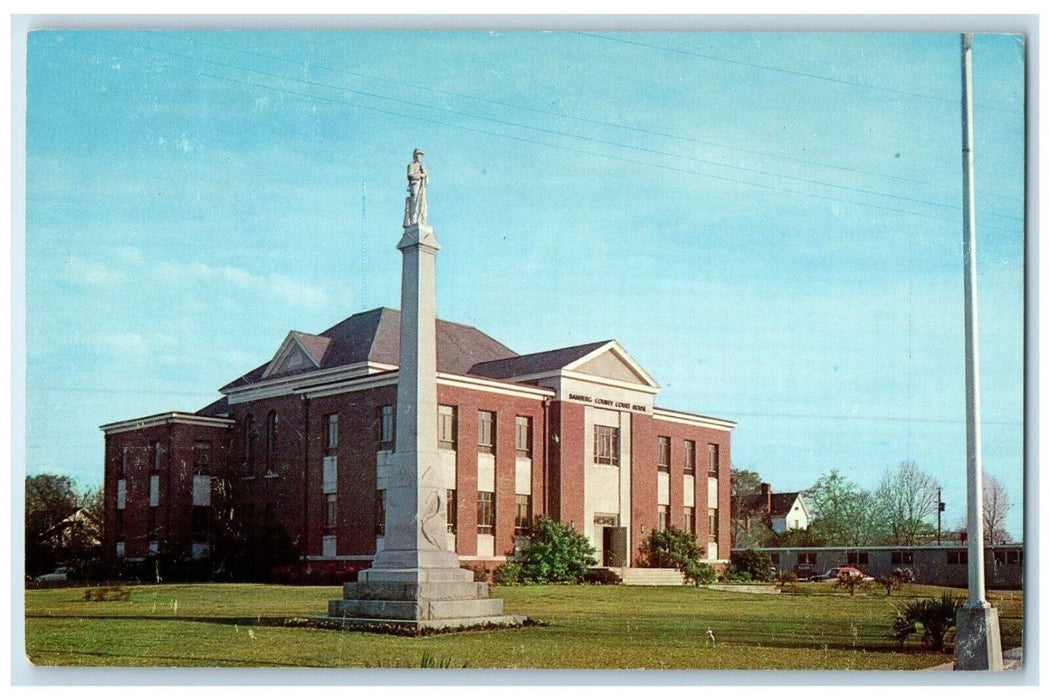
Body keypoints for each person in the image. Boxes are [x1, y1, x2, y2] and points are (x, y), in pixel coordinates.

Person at [404, 148, 428, 226]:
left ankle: (422, 219)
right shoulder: (411, 165)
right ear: (415, 155)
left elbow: (427, 180)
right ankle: (413, 220)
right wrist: (420, 175)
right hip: (415, 184)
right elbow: (410, 175)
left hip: (422, 186)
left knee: (422, 202)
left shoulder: (422, 167)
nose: (420, 157)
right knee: (414, 202)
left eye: (421, 155)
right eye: (418, 155)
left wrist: (424, 173)